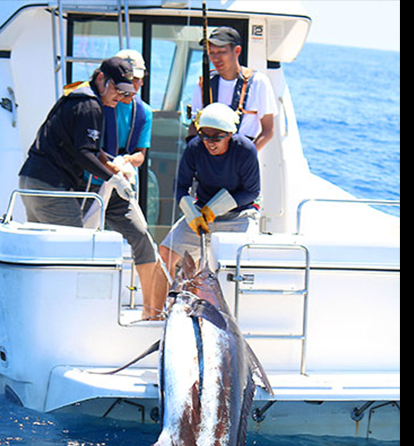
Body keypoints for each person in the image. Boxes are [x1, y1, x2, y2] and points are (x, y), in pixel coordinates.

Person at [18, 56, 158, 318]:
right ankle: (70, 318)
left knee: (47, 254)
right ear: (101, 79)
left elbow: (90, 150)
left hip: (31, 182)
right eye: (118, 90)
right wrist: (112, 178)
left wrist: (113, 166)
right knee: (76, 254)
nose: (120, 98)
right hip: (52, 188)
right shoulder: (90, 106)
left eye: (127, 93)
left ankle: (39, 313)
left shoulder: (78, 97)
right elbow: (84, 154)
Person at [151, 103, 261, 313]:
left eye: (217, 137)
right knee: (165, 253)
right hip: (201, 215)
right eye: (205, 136)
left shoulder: (246, 150)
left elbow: (251, 191)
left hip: (239, 214)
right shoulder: (195, 147)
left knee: (236, 266)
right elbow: (181, 186)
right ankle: (154, 317)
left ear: (230, 134)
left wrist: (214, 209)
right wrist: (192, 213)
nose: (210, 142)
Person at [189, 26, 277, 152]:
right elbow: (194, 125)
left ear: (237, 51)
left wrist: (247, 158)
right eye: (211, 53)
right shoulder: (204, 84)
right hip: (210, 162)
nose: (215, 58)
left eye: (221, 52)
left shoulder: (259, 82)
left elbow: (268, 130)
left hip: (242, 162)